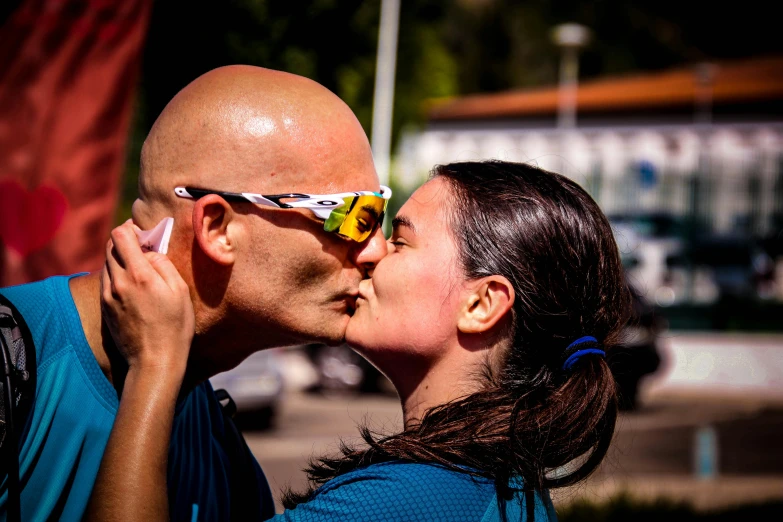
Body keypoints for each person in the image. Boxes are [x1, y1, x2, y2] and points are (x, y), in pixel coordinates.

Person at [94, 160, 631, 521]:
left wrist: (155, 364)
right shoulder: (506, 488)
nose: (370, 252)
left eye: (400, 240)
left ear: (482, 304)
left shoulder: (409, 500)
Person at [0, 65, 389, 521]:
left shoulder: (221, 451)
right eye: (353, 215)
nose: (376, 250)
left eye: (379, 216)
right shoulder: (13, 360)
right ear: (217, 228)